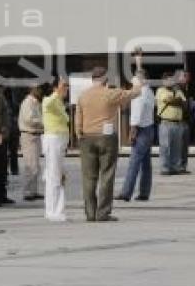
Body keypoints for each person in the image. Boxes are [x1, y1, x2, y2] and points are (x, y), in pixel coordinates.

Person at [74, 62, 142, 222]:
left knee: (88, 177)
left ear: (92, 79)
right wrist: (137, 75)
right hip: (107, 138)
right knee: (107, 175)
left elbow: (78, 119)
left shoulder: (83, 95)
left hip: (87, 137)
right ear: (104, 79)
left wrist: (79, 135)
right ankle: (103, 213)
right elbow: (136, 92)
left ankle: (90, 213)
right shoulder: (110, 93)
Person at [116, 70, 156, 202]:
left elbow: (136, 114)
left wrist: (132, 132)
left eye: (136, 79)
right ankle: (144, 192)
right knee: (145, 163)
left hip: (141, 130)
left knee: (134, 162)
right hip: (149, 128)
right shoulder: (149, 91)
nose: (134, 81)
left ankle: (126, 192)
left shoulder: (140, 93)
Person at [42, 77, 70, 221]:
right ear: (55, 87)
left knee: (58, 176)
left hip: (60, 143)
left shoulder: (59, 103)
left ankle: (57, 209)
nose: (66, 88)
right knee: (54, 176)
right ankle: (53, 211)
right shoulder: (50, 100)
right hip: (53, 140)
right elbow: (47, 104)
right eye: (63, 85)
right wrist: (56, 92)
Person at [156, 72, 187, 176]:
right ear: (164, 81)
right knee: (165, 146)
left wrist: (176, 100)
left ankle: (175, 167)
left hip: (178, 123)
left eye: (171, 79)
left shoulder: (177, 90)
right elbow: (169, 100)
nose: (170, 81)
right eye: (168, 79)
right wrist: (177, 100)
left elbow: (184, 103)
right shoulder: (160, 90)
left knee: (177, 147)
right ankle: (165, 168)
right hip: (166, 122)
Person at [18, 85, 44, 201]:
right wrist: (43, 122)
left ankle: (34, 190)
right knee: (30, 165)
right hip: (29, 135)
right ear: (32, 90)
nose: (40, 90)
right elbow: (29, 119)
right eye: (37, 88)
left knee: (36, 166)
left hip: (36, 135)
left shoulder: (36, 102)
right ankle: (28, 192)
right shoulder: (28, 102)